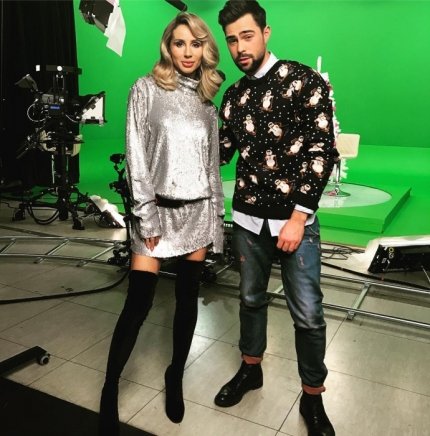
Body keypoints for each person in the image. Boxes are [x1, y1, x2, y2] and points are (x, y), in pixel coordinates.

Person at [214, 1, 338, 435]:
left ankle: (312, 397)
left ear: (266, 33)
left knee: (308, 314)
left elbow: (322, 151)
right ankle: (251, 369)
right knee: (250, 300)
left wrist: (299, 218)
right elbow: (220, 152)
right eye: (232, 40)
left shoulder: (303, 81)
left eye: (247, 36)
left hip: (294, 222)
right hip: (248, 221)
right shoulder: (233, 96)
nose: (240, 48)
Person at [98, 12, 224, 435]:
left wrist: (216, 221)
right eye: (179, 43)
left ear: (205, 49)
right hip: (156, 213)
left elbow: (212, 169)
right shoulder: (145, 89)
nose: (187, 52)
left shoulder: (208, 104)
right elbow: (136, 156)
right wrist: (146, 215)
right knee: (138, 304)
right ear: (167, 46)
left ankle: (175, 375)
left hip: (198, 213)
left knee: (187, 302)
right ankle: (110, 385)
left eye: (196, 44)